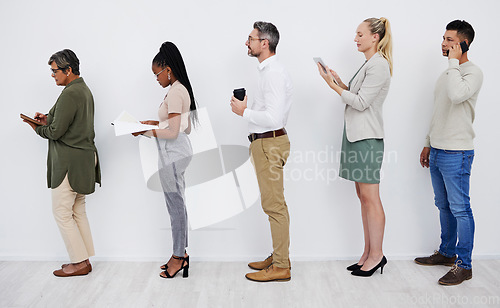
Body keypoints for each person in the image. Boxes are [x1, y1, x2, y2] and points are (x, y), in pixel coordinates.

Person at [318, 17, 393, 277]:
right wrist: (339, 83)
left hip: (367, 139)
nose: (356, 39)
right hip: (355, 137)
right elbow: (359, 96)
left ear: (375, 37)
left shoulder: (379, 65)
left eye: (360, 34)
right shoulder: (369, 64)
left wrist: (332, 88)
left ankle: (377, 255)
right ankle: (367, 253)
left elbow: (360, 103)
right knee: (363, 198)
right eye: (355, 34)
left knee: (371, 199)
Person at [415, 20, 483, 286]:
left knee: (460, 208)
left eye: (450, 40)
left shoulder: (472, 72)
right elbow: (440, 110)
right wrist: (428, 142)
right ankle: (446, 252)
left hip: (458, 153)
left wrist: (453, 63)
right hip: (438, 149)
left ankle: (464, 265)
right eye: (443, 38)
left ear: (464, 43)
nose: (443, 44)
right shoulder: (447, 73)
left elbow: (457, 96)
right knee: (443, 205)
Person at [23, 49, 101, 277]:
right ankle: (84, 261)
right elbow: (72, 123)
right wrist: (48, 119)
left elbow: (56, 133)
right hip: (84, 159)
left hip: (70, 161)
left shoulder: (70, 93)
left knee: (62, 212)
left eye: (55, 70)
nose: (52, 74)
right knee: (77, 210)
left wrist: (37, 127)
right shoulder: (83, 90)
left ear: (68, 70)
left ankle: (78, 263)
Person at [231, 21, 293, 282]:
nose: (247, 42)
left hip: (270, 143)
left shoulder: (274, 72)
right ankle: (280, 257)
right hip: (264, 143)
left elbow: (274, 117)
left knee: (274, 206)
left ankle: (281, 266)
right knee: (273, 204)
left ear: (264, 43)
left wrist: (243, 111)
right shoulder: (266, 71)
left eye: (251, 38)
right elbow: (267, 113)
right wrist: (247, 109)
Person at [133, 41, 196, 279]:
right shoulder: (176, 90)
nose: (156, 79)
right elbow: (176, 126)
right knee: (176, 205)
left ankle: (179, 257)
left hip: (174, 153)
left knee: (176, 207)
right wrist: (151, 124)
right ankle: (179, 254)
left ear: (167, 69)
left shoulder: (178, 91)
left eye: (157, 74)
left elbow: (173, 132)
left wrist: (144, 132)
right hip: (172, 152)